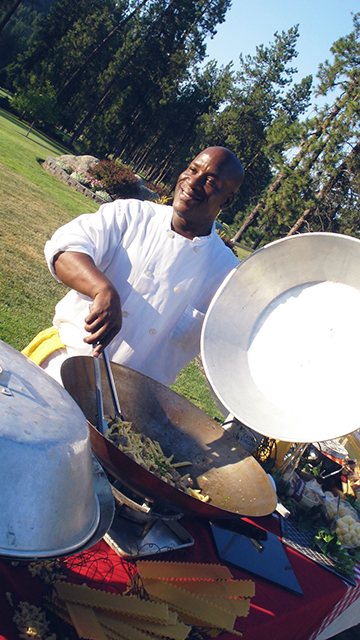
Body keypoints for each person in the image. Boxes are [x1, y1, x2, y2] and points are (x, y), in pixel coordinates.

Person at [24, 146, 244, 386]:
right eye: (192, 169)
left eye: (210, 181)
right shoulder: (131, 214)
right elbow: (63, 248)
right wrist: (101, 289)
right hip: (59, 364)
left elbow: (239, 347)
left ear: (228, 200)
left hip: (128, 406)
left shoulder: (227, 274)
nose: (192, 182)